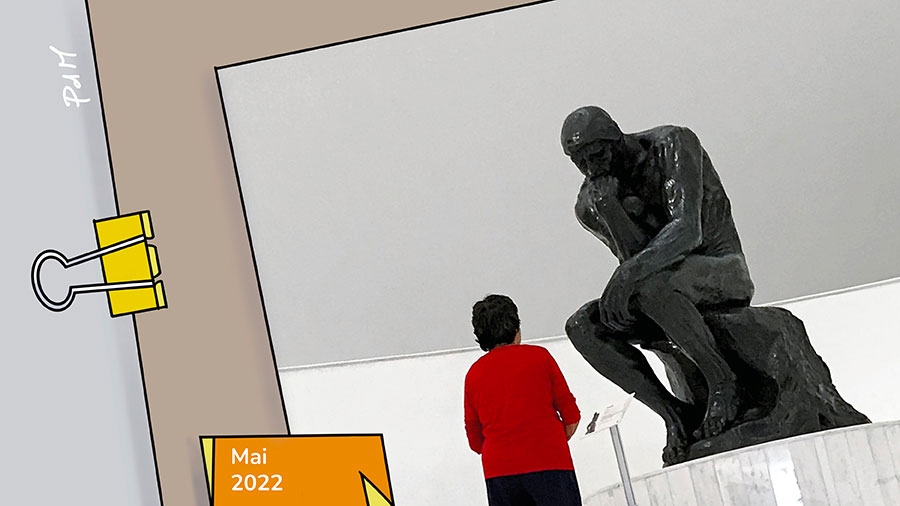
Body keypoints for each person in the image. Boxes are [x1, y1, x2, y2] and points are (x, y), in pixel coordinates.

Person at [560, 106, 755, 464]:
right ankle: (674, 415)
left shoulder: (672, 144)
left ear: (616, 136)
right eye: (581, 162)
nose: (592, 168)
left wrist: (626, 275)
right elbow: (635, 257)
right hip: (659, 288)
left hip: (720, 269)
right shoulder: (591, 204)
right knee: (582, 326)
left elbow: (687, 230)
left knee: (651, 287)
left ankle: (724, 380)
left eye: (597, 155)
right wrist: (612, 211)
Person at [464, 294, 582, 506]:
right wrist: (549, 442)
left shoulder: (474, 374)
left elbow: (475, 439)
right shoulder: (540, 357)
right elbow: (571, 416)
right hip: (550, 463)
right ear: (516, 328)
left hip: (499, 472)